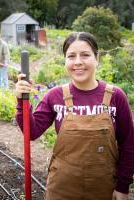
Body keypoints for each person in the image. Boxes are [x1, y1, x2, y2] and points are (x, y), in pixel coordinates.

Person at [15, 32, 134, 200]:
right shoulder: (54, 96)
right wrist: (22, 102)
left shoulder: (116, 96)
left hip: (104, 188)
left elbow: (129, 144)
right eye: (71, 56)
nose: (78, 62)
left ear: (96, 58)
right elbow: (32, 132)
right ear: (65, 60)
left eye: (85, 55)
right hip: (62, 189)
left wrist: (123, 187)